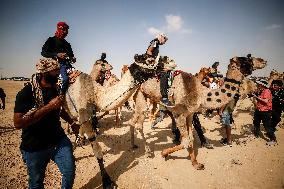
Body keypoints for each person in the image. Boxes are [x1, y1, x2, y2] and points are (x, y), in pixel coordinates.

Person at [13, 58, 80, 188]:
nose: (59, 74)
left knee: (69, 172)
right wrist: (49, 107)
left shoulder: (56, 88)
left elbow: (59, 110)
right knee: (36, 183)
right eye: (55, 71)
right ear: (44, 73)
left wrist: (72, 123)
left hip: (58, 140)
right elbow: (18, 123)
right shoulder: (26, 93)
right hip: (34, 146)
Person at [41, 21, 76, 95]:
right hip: (54, 65)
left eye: (66, 30)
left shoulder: (67, 44)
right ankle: (60, 97)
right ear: (58, 29)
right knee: (65, 79)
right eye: (63, 30)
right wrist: (56, 54)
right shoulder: (51, 40)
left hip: (67, 65)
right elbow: (43, 53)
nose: (65, 32)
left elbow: (71, 56)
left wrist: (72, 58)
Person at [146, 33, 174, 107]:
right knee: (164, 73)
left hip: (154, 64)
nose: (165, 42)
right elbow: (149, 51)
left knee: (168, 70)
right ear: (161, 37)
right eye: (165, 40)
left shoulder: (156, 44)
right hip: (152, 65)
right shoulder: (155, 42)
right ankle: (164, 98)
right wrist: (153, 61)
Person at [253, 79, 276, 145]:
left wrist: (256, 97)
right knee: (256, 123)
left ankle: (273, 139)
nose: (258, 85)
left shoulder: (266, 91)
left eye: (259, 84)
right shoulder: (262, 91)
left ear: (262, 85)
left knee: (267, 126)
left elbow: (265, 101)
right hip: (259, 110)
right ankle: (256, 134)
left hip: (265, 111)